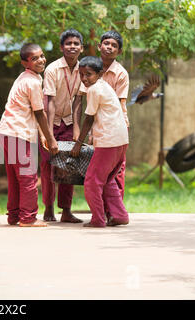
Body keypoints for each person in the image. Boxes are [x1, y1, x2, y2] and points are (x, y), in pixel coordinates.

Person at [0, 43, 59, 227]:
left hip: (7, 131)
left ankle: (14, 216)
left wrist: (41, 136)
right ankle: (28, 217)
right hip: (17, 133)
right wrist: (50, 139)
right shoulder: (32, 81)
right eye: (34, 58)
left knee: (16, 177)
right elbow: (40, 113)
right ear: (25, 63)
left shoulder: (24, 77)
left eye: (41, 56)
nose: (41, 60)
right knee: (28, 176)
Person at [71, 56, 129, 228]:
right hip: (121, 139)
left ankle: (98, 219)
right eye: (81, 75)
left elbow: (88, 119)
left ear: (100, 73)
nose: (84, 79)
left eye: (88, 74)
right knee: (108, 180)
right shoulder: (103, 86)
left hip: (109, 141)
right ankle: (119, 215)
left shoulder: (95, 89)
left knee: (91, 181)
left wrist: (78, 144)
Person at [75, 30, 129, 199]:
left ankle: (115, 210)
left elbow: (120, 105)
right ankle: (107, 210)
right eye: (106, 44)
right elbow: (81, 100)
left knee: (115, 171)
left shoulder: (121, 73)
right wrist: (84, 131)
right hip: (98, 126)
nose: (109, 48)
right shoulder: (89, 68)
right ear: (99, 46)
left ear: (119, 51)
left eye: (114, 46)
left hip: (114, 127)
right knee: (100, 171)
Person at [40, 28, 84, 223]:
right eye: (68, 43)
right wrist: (48, 134)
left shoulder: (83, 68)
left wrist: (76, 128)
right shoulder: (52, 69)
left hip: (68, 122)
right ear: (61, 47)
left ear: (81, 48)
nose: (72, 47)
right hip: (51, 122)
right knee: (49, 165)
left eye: (76, 44)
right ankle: (48, 208)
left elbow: (79, 101)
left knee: (69, 165)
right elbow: (49, 102)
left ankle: (66, 210)